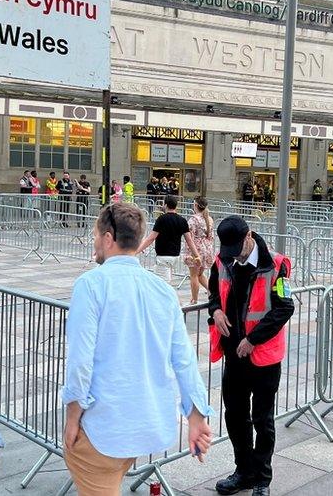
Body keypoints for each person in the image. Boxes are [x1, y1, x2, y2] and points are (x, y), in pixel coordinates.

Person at [62, 203, 212, 494]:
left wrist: (72, 418)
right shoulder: (163, 291)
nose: (94, 242)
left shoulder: (91, 285)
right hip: (145, 424)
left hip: (102, 427)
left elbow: (81, 362)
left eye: (95, 235)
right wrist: (196, 415)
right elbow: (184, 360)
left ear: (108, 238)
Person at [208, 217, 294, 496]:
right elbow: (213, 293)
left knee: (262, 420)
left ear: (250, 236)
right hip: (234, 355)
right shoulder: (223, 261)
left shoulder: (276, 265)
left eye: (238, 249)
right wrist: (215, 311)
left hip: (264, 356)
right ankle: (243, 471)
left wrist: (252, 340)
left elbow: (284, 308)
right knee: (234, 415)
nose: (234, 256)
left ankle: (262, 479)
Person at [137, 195, 198, 284]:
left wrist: (137, 250)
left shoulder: (161, 219)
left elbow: (151, 238)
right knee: (166, 280)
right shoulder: (182, 220)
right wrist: (197, 255)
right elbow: (189, 240)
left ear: (165, 205)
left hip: (163, 255)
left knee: (162, 284)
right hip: (175, 255)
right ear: (176, 206)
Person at [184, 196, 215, 305]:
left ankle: (194, 298)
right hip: (207, 248)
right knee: (200, 274)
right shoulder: (209, 219)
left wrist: (192, 253)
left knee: (193, 275)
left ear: (196, 205)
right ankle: (211, 292)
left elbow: (189, 237)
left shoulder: (193, 219)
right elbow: (211, 236)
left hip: (196, 249)